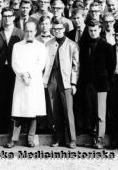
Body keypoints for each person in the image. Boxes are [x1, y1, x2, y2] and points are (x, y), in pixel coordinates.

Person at [5, 22, 47, 148]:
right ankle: (13, 139)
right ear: (24, 31)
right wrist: (22, 75)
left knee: (33, 110)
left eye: (32, 31)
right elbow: (15, 63)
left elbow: (41, 64)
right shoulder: (17, 46)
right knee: (18, 109)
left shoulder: (41, 46)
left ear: (35, 32)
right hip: (21, 81)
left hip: (34, 82)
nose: (29, 33)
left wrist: (30, 75)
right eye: (27, 31)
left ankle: (30, 138)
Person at [43, 21, 79, 149]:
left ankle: (71, 139)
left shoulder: (72, 45)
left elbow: (76, 66)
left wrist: (73, 83)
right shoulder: (48, 44)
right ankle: (58, 137)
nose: (57, 31)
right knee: (54, 109)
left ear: (64, 29)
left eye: (59, 29)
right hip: (52, 77)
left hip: (66, 79)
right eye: (54, 29)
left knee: (68, 110)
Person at [79, 19, 114, 149]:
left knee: (100, 114)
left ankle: (100, 139)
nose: (93, 33)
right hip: (88, 83)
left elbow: (111, 67)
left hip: (101, 84)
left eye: (95, 30)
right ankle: (93, 136)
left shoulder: (107, 46)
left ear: (100, 30)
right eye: (90, 31)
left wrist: (105, 81)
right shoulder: (84, 45)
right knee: (90, 111)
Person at [0, 8, 24, 133]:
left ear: (14, 17)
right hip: (0, 70)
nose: (7, 18)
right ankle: (2, 126)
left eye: (9, 16)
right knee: (1, 98)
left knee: (14, 99)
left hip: (15, 70)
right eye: (4, 16)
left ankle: (14, 129)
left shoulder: (20, 33)